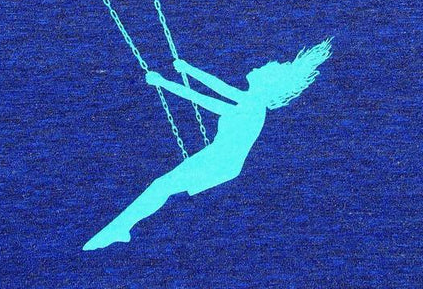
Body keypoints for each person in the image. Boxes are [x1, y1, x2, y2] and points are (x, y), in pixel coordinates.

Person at [83, 39, 332, 250]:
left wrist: (164, 82)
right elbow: (219, 87)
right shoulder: (250, 101)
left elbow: (205, 100)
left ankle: (121, 229)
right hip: (221, 160)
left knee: (162, 186)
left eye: (261, 69)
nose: (256, 67)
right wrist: (187, 69)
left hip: (219, 161)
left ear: (266, 82)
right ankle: (122, 227)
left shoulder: (251, 106)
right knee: (164, 186)